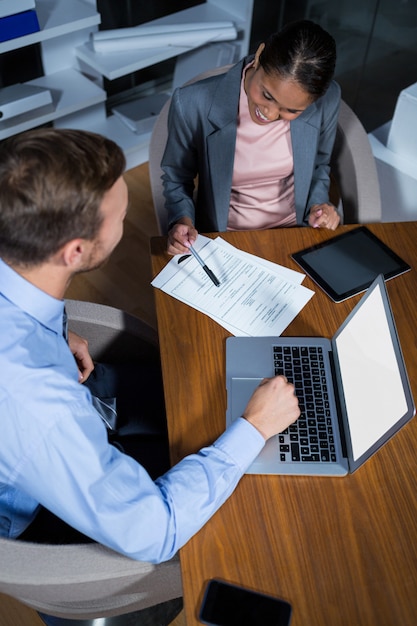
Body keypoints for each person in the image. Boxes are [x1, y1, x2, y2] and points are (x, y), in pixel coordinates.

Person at [0, 128, 300, 563]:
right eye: (121, 216)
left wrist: (53, 331)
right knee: (261, 493)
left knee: (195, 388)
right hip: (42, 509)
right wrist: (254, 428)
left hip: (50, 405)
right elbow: (154, 531)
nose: (129, 218)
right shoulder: (41, 407)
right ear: (76, 251)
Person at [162, 20, 342, 256]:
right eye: (267, 95)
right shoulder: (192, 103)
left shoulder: (327, 100)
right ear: (259, 56)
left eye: (291, 110)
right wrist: (182, 221)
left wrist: (320, 205)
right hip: (226, 240)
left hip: (297, 233)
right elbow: (177, 178)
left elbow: (319, 164)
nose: (270, 113)